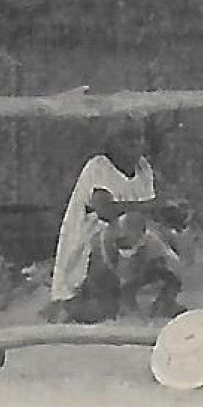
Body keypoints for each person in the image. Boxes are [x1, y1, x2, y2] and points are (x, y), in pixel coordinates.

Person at [49, 117, 186, 323]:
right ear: (111, 142)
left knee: (170, 237)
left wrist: (171, 212)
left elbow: (148, 214)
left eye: (138, 137)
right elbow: (105, 210)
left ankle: (162, 301)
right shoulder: (99, 166)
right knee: (129, 225)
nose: (134, 143)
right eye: (126, 137)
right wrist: (155, 207)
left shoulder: (143, 168)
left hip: (123, 250)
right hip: (86, 254)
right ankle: (122, 300)